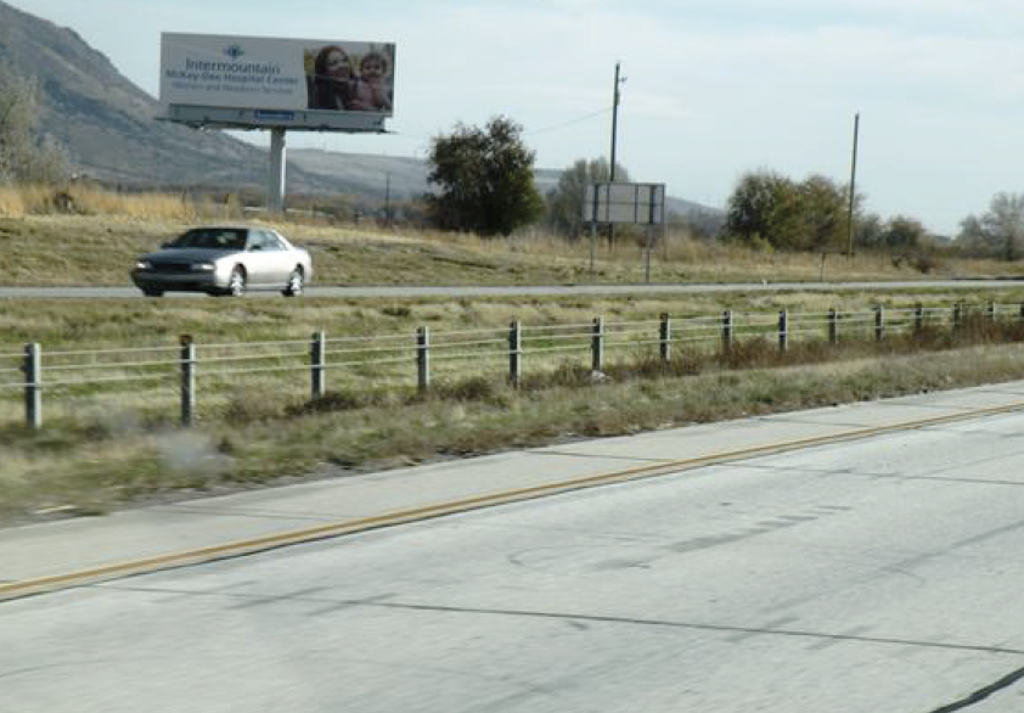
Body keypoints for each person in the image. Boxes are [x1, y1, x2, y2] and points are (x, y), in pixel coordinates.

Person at [308, 45, 354, 110]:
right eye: (334, 63)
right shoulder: (316, 98)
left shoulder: (358, 90)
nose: (342, 66)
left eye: (345, 60)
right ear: (324, 72)